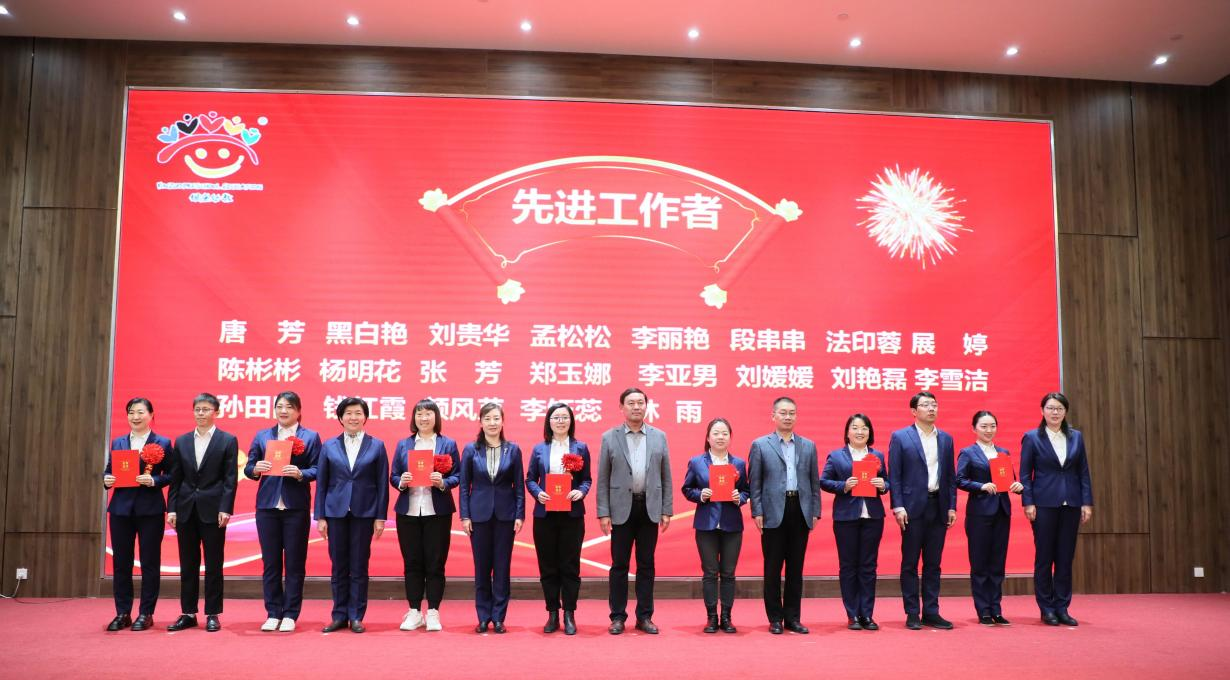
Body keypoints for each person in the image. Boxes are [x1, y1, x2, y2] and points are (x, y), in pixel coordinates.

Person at [243, 391, 321, 632]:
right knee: (270, 562)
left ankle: (290, 614)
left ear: (298, 411)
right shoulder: (263, 435)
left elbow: (318, 468)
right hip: (267, 507)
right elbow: (248, 467)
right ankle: (273, 612)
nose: (284, 411)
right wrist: (256, 468)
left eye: (289, 406)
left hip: (295, 507)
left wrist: (301, 473)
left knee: (295, 563)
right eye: (279, 406)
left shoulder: (310, 437)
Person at [596, 387, 673, 635]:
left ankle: (645, 616)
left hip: (649, 508)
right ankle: (618, 617)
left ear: (646, 406)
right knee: (619, 565)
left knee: (646, 565)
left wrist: (666, 509)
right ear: (622, 407)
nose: (637, 407)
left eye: (641, 402)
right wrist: (603, 512)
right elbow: (603, 477)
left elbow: (666, 475)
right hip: (620, 509)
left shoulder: (659, 436)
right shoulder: (610, 437)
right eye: (631, 403)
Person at [748, 396, 821, 635]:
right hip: (772, 511)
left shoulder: (808, 446)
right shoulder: (760, 445)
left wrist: (815, 511)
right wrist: (757, 511)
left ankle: (793, 618)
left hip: (800, 509)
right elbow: (755, 483)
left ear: (796, 416)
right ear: (773, 416)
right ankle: (775, 618)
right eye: (783, 413)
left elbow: (814, 481)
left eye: (791, 413)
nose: (787, 417)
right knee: (772, 568)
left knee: (795, 568)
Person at [315, 397, 389, 634]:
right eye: (348, 413)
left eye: (358, 413)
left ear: (365, 417)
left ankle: (356, 615)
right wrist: (320, 517)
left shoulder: (377, 445)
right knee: (338, 566)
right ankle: (339, 615)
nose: (353, 417)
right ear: (340, 417)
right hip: (335, 512)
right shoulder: (329, 445)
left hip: (364, 512)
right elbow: (322, 483)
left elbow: (382, 484)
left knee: (359, 565)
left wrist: (380, 517)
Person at [166, 393, 239, 633]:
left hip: (214, 510)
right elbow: (176, 479)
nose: (201, 413)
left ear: (216, 412)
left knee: (214, 563)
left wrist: (226, 508)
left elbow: (230, 479)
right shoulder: (182, 441)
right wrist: (172, 508)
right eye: (197, 409)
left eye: (206, 409)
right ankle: (188, 612)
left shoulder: (227, 440)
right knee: (187, 564)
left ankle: (212, 613)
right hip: (185, 509)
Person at [1020, 392, 1093, 627]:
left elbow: (1083, 472)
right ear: (1042, 411)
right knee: (1044, 557)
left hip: (1071, 503)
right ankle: (1046, 608)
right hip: (1043, 504)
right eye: (1050, 408)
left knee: (1065, 557)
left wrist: (1086, 502)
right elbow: (1025, 474)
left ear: (1065, 412)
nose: (1055, 412)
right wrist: (1028, 502)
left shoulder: (1076, 437)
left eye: (1059, 408)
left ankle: (1062, 607)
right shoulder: (1032, 437)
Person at [103, 397, 173, 632]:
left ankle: (146, 613)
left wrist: (154, 480)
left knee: (149, 562)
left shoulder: (163, 442)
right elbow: (108, 471)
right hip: (121, 510)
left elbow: (173, 474)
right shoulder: (119, 442)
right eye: (131, 412)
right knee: (121, 563)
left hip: (150, 510)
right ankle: (122, 612)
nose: (135, 417)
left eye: (140, 412)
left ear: (151, 415)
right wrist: (107, 479)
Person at [888, 391, 957, 630]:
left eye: (934, 404)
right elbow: (895, 475)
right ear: (914, 411)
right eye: (926, 405)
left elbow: (950, 476)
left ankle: (931, 611)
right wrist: (898, 506)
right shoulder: (900, 437)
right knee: (910, 562)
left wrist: (952, 506)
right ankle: (912, 613)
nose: (931, 409)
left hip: (938, 505)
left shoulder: (946, 439)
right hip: (911, 508)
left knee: (933, 563)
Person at [391, 398, 461, 633]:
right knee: (412, 562)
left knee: (435, 563)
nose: (424, 418)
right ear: (414, 418)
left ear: (436, 417)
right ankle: (414, 611)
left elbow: (458, 475)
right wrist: (401, 481)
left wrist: (443, 482)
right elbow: (393, 475)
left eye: (428, 413)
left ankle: (432, 611)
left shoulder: (447, 444)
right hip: (409, 511)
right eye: (419, 414)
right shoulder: (404, 444)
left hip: (437, 511)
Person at [525, 402, 592, 635]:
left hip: (572, 515)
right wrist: (538, 493)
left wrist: (581, 492)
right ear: (549, 422)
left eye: (565, 417)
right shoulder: (539, 449)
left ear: (571, 421)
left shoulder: (580, 447)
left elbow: (587, 479)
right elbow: (530, 479)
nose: (560, 421)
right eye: (556, 417)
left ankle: (569, 613)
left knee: (570, 566)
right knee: (548, 566)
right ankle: (552, 613)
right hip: (545, 515)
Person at [459, 402, 525, 634]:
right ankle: (482, 616)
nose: (492, 423)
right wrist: (465, 516)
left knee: (502, 568)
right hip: (478, 516)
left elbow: (519, 486)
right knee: (481, 568)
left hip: (506, 516)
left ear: (502, 421)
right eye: (487, 418)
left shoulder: (513, 450)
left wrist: (519, 514)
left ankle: (498, 617)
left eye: (496, 418)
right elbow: (464, 486)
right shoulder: (471, 450)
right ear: (480, 422)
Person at [819, 413, 888, 631]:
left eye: (864, 428)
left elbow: (888, 482)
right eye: (855, 428)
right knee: (848, 566)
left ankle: (867, 614)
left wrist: (883, 485)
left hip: (873, 517)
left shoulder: (877, 455)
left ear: (870, 432)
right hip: (846, 518)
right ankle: (852, 614)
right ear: (847, 433)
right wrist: (844, 486)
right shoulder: (836, 456)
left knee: (869, 566)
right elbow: (823, 481)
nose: (860, 432)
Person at [681, 417, 748, 634]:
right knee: (710, 572)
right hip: (706, 524)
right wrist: (701, 494)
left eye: (724, 433)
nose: (720, 437)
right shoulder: (697, 462)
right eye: (716, 433)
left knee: (728, 572)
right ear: (708, 438)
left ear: (730, 437)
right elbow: (687, 489)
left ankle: (726, 617)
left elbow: (746, 490)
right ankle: (711, 617)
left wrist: (740, 498)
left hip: (732, 525)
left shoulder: (738, 464)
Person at [957, 410, 1023, 625]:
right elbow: (959, 479)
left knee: (997, 563)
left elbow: (1010, 480)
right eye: (984, 426)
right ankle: (983, 610)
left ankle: (996, 608)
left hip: (1002, 512)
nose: (988, 430)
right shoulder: (968, 453)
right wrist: (981, 486)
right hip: (979, 513)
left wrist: (1017, 485)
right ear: (974, 429)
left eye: (992, 426)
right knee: (980, 563)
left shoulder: (1003, 452)